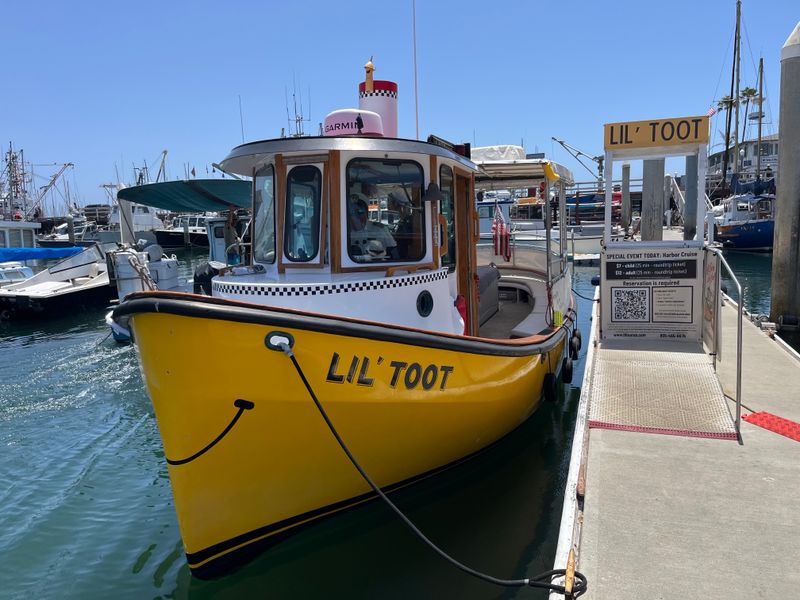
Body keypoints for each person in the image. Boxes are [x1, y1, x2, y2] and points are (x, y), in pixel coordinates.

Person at [349, 194, 396, 259]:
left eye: (360, 212)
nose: (356, 217)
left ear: (366, 213)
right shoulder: (342, 232)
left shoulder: (380, 229)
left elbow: (393, 251)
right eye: (352, 214)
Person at [387, 188, 414, 258]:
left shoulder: (408, 222)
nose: (388, 205)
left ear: (396, 204)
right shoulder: (402, 220)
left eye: (389, 201)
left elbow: (405, 242)